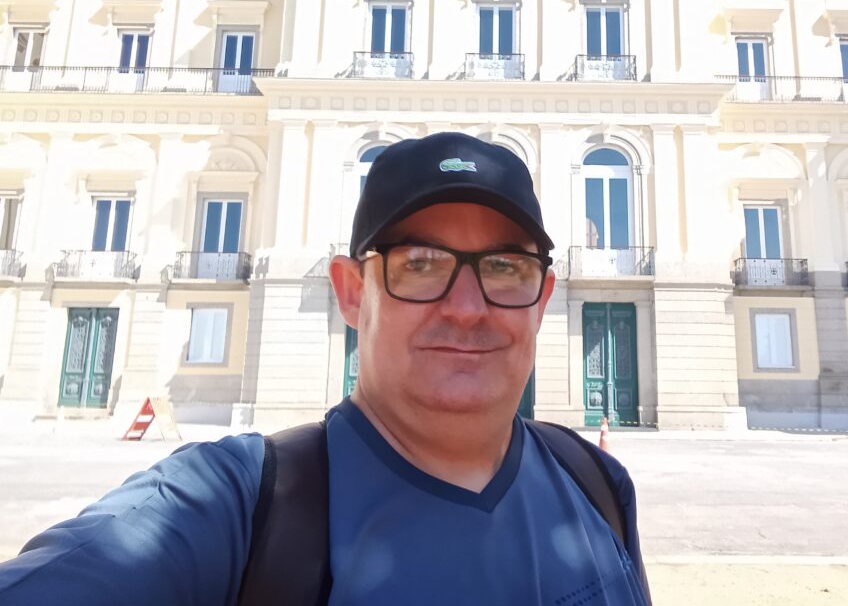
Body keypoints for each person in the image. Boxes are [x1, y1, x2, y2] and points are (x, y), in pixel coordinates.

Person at [0, 132, 649, 605]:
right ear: (351, 292)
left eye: (505, 267)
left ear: (541, 297)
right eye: (419, 264)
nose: (466, 307)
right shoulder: (235, 506)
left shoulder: (598, 486)